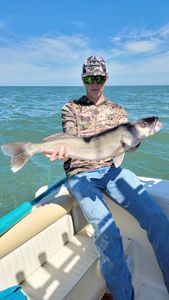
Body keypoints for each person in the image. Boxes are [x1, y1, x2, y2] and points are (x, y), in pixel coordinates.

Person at [44, 56, 169, 300]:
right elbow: (69, 138)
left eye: (99, 78)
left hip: (111, 171)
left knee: (158, 219)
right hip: (81, 174)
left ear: (106, 78)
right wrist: (61, 150)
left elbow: (127, 146)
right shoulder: (71, 108)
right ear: (83, 79)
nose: (95, 83)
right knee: (107, 229)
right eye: (90, 78)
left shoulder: (118, 111)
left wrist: (137, 138)